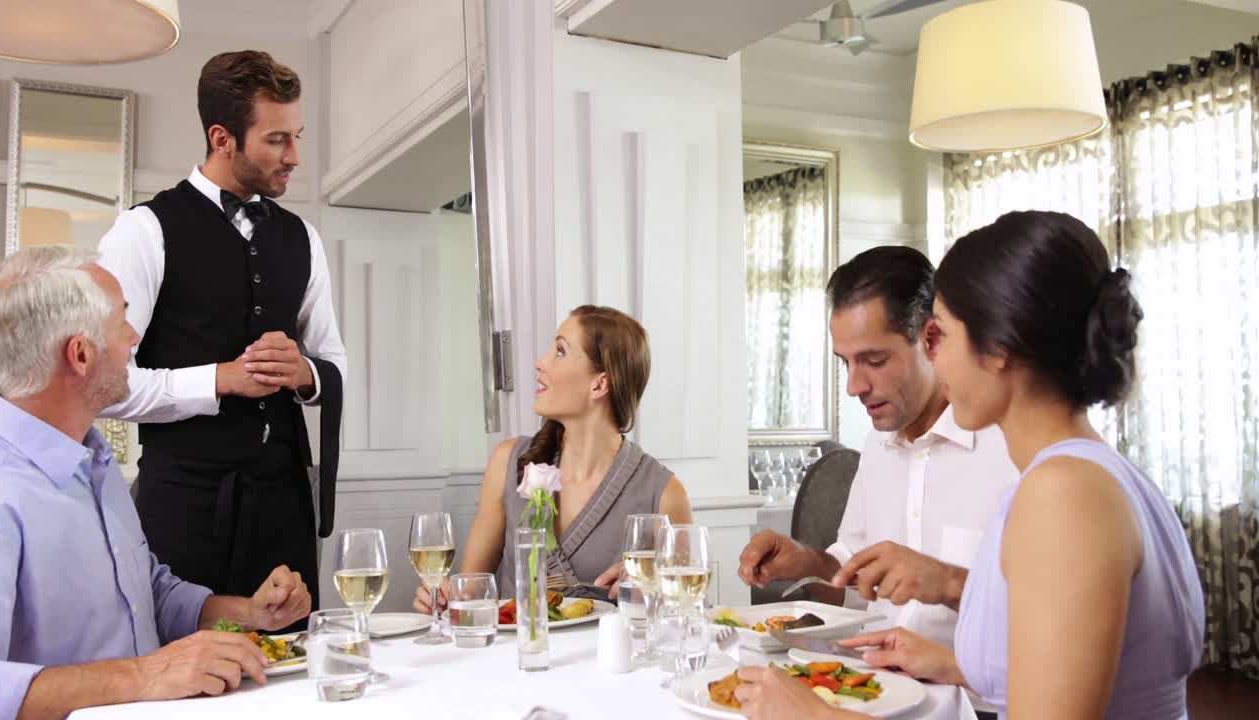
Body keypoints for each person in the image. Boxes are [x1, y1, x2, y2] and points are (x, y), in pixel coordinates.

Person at [734, 211, 1205, 720]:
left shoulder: (1063, 494)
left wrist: (813, 716)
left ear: (998, 348)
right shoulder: (1096, 476)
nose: (937, 360)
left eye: (942, 337)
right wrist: (958, 665)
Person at [0, 246, 312, 720]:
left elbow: (145, 595)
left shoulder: (93, 461)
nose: (134, 338)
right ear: (80, 355)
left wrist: (250, 614)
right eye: (122, 324)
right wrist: (145, 675)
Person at [96, 51, 346, 617]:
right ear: (222, 137)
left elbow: (333, 358)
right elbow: (110, 386)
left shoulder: (303, 238)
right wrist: (220, 380)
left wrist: (305, 374)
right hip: (183, 510)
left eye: (297, 137)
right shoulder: (143, 232)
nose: (295, 157)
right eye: (277, 140)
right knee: (184, 683)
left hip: (283, 509)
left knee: (294, 677)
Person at [738, 246, 1018, 649]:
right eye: (845, 363)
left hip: (976, 706)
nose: (854, 386)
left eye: (873, 360)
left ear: (931, 339)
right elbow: (850, 579)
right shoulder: (877, 445)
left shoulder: (1011, 449)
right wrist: (806, 562)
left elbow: (1060, 619)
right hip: (872, 690)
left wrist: (950, 583)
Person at [415, 305, 692, 611]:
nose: (540, 363)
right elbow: (469, 595)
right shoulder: (507, 462)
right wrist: (444, 601)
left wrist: (653, 590)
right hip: (514, 657)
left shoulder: (665, 494)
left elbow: (683, 614)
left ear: (599, 383)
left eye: (560, 351)